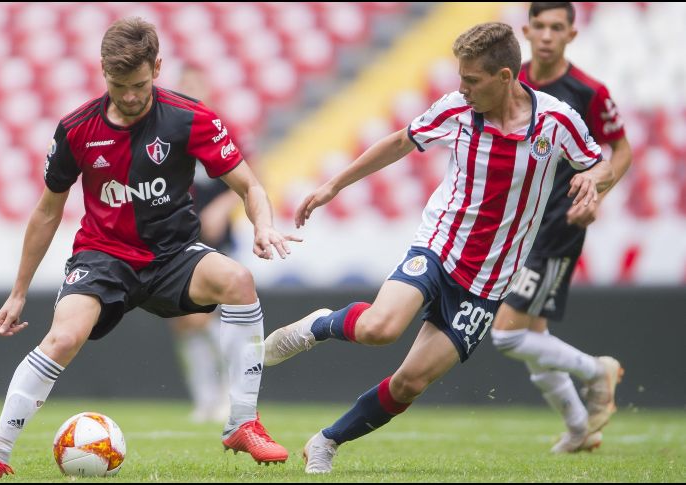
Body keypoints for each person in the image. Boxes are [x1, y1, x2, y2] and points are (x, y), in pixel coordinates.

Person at [263, 22, 615, 474]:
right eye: (460, 78)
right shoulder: (457, 112)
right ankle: (318, 325)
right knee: (379, 328)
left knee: (410, 383)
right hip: (439, 246)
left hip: (489, 280)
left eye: (471, 80)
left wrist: (593, 179)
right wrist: (333, 185)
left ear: (505, 78)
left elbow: (599, 163)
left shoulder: (557, 121)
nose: (461, 88)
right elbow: (397, 143)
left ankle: (326, 441)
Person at [0, 17, 297, 481]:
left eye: (139, 84)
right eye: (119, 85)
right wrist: (18, 292)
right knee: (62, 338)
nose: (130, 96)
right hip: (103, 258)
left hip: (173, 255)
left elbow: (250, 185)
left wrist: (263, 226)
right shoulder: (76, 129)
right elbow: (46, 212)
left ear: (157, 68)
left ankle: (242, 422)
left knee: (239, 281)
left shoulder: (190, 117)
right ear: (104, 74)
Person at [489, 2, 631, 454]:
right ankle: (578, 430)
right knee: (535, 338)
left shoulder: (589, 91)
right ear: (526, 30)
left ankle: (596, 370)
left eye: (557, 27)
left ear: (571, 34)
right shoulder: (512, 81)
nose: (547, 35)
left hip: (557, 223)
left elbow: (620, 151)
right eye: (540, 27)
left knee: (508, 334)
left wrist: (596, 194)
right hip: (516, 223)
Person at [166, 64, 239, 424]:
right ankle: (205, 398)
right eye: (185, 88)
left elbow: (252, 177)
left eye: (196, 87)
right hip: (179, 238)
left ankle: (228, 395)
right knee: (184, 322)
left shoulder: (221, 128)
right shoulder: (166, 132)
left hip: (215, 241)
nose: (191, 94)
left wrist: (223, 207)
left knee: (211, 316)